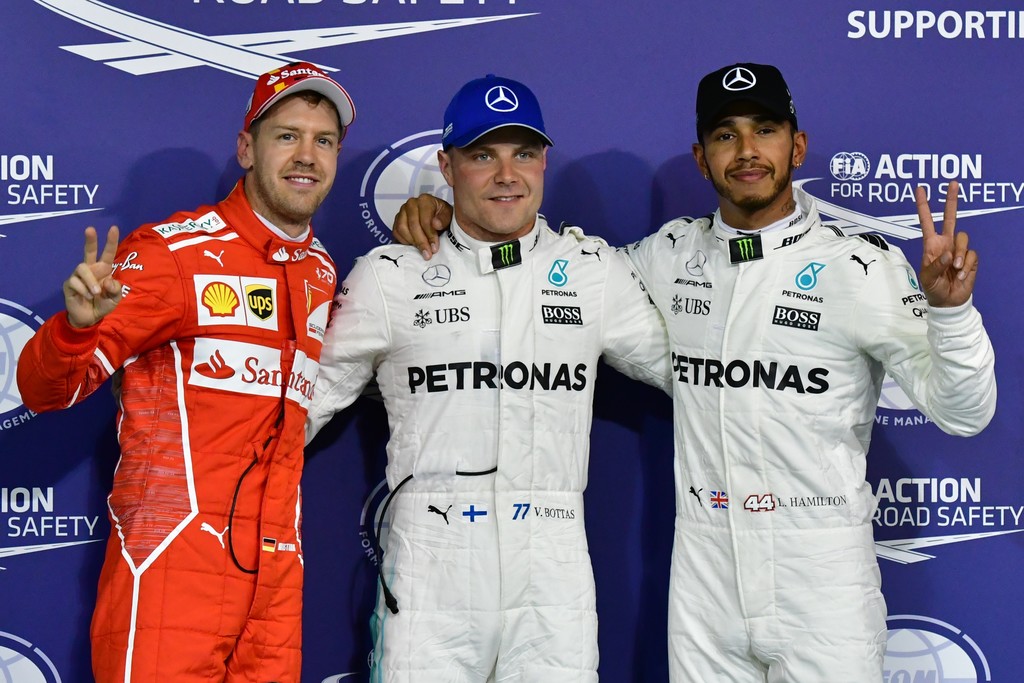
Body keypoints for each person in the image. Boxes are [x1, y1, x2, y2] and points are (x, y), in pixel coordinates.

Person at [392, 63, 997, 682]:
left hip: (821, 573)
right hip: (704, 575)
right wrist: (444, 217)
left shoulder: (860, 266)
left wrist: (952, 315)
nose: (747, 152)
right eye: (725, 135)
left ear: (798, 145)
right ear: (702, 158)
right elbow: (542, 264)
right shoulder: (666, 255)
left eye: (765, 130)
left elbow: (965, 410)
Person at [306, 74, 670, 682]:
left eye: (523, 154)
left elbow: (705, 379)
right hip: (431, 572)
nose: (507, 174)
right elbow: (303, 405)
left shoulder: (590, 270)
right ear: (447, 167)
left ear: (544, 161)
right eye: (483, 156)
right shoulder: (389, 276)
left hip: (552, 574)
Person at [16, 61, 354, 683]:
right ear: (246, 148)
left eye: (324, 140)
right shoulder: (174, 254)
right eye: (287, 135)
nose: (307, 155)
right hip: (173, 562)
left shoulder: (320, 272)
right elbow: (45, 389)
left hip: (276, 579)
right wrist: (75, 329)